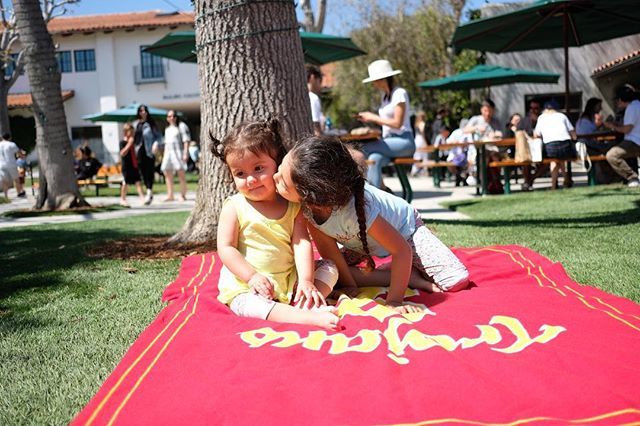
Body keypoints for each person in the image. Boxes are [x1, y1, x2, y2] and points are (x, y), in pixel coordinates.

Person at [274, 136, 470, 314]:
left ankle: (405, 270)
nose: (275, 178)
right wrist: (349, 285)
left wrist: (394, 300)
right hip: (359, 241)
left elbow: (401, 250)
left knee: (456, 281)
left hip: (404, 233)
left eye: (282, 180)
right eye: (279, 169)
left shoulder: (360, 210)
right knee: (332, 272)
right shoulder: (307, 208)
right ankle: (408, 275)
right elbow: (329, 252)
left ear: (311, 195)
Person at [212, 119, 340, 330]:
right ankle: (306, 316)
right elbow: (226, 248)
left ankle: (304, 301)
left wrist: (307, 281)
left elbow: (301, 244)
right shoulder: (234, 206)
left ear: (278, 165)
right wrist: (251, 277)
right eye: (240, 174)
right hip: (247, 285)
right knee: (248, 305)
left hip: (288, 281)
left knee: (330, 268)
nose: (251, 180)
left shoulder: (292, 206)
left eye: (258, 168)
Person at [356, 59, 415, 189]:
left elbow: (397, 124)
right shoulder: (385, 97)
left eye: (374, 81)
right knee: (374, 159)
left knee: (362, 149)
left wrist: (373, 117)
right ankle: (380, 196)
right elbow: (387, 124)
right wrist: (370, 121)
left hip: (404, 141)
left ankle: (367, 195)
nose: (373, 84)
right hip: (389, 142)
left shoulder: (399, 93)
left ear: (382, 79)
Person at [533, 100, 577, 190]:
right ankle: (566, 180)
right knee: (560, 160)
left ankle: (554, 185)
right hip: (566, 146)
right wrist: (575, 140)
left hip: (550, 147)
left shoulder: (541, 118)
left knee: (554, 161)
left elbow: (536, 134)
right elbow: (573, 133)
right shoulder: (562, 116)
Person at [604, 85, 640, 187]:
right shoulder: (637, 105)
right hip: (636, 140)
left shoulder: (631, 108)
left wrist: (612, 126)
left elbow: (627, 130)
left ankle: (632, 178)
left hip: (634, 142)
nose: (616, 103)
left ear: (620, 100)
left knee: (611, 155)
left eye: (617, 101)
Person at [576, 98, 619, 184]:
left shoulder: (586, 119)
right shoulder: (585, 120)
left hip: (590, 146)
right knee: (614, 149)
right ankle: (612, 177)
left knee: (612, 148)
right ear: (593, 107)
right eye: (599, 106)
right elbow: (589, 136)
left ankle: (610, 177)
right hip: (589, 148)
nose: (601, 108)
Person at [133, 104, 162, 205]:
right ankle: (148, 190)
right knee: (142, 172)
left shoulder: (151, 124)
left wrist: (155, 144)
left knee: (149, 171)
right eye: (141, 111)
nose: (143, 112)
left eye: (144, 110)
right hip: (139, 152)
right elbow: (134, 139)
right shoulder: (136, 124)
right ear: (138, 112)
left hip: (149, 151)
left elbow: (159, 137)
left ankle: (149, 191)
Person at [161, 110, 190, 201]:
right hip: (168, 153)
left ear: (176, 117)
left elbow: (186, 140)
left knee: (181, 173)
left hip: (178, 153)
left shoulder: (181, 126)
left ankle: (183, 195)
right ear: (167, 118)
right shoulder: (167, 129)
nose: (172, 118)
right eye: (169, 116)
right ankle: (170, 195)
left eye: (173, 116)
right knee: (167, 172)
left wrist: (186, 153)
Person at [119, 123, 145, 207]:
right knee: (125, 182)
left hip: (134, 165)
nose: (132, 133)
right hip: (126, 166)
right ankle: (122, 199)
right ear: (126, 132)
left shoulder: (133, 141)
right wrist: (129, 144)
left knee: (138, 181)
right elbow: (122, 153)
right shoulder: (123, 142)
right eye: (130, 131)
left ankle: (142, 198)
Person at [0, 133, 25, 199]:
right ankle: (19, 193)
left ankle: (6, 196)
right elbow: (19, 153)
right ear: (9, 138)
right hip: (11, 164)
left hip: (1, 164)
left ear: (2, 137)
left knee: (4, 181)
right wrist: (22, 156)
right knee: (16, 179)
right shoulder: (11, 144)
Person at [306, 65, 324, 136]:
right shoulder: (313, 98)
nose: (320, 86)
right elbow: (316, 128)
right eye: (319, 81)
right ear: (312, 78)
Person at [410, 111, 428, 176]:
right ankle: (425, 171)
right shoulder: (422, 123)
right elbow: (422, 133)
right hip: (421, 140)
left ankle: (414, 170)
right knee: (424, 155)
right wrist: (425, 142)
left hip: (416, 140)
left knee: (417, 155)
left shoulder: (416, 123)